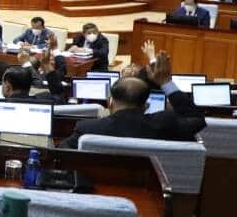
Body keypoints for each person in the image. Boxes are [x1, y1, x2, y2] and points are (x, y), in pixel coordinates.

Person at [60, 51, 205, 148]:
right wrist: (166, 82)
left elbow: (61, 152)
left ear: (110, 102)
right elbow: (196, 119)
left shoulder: (88, 129)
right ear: (146, 106)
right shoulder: (165, 124)